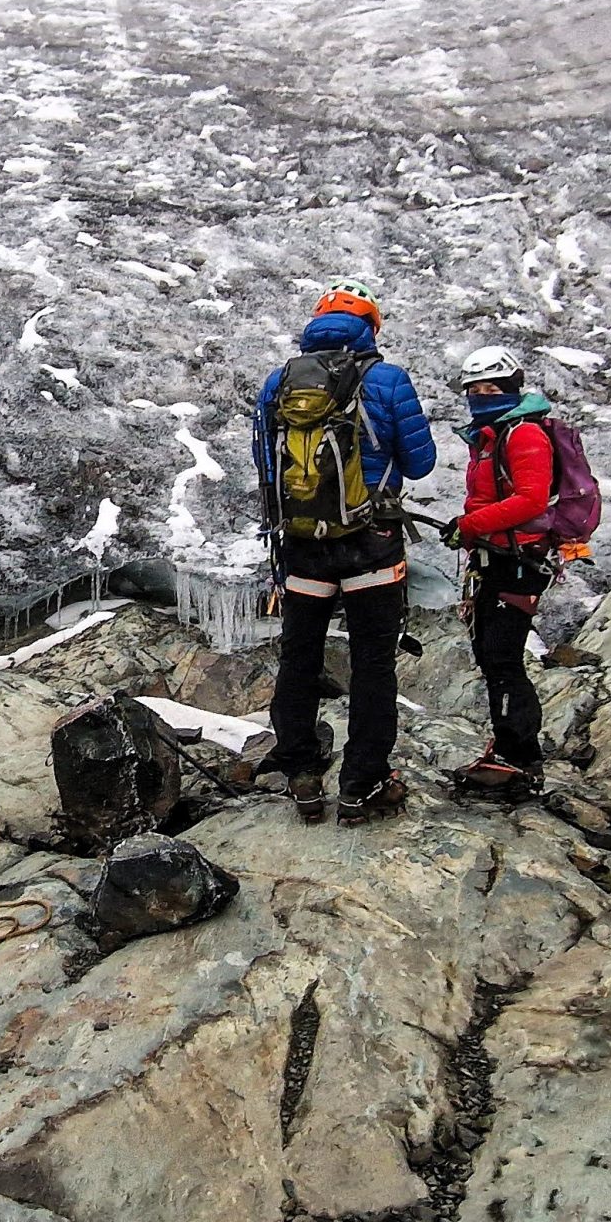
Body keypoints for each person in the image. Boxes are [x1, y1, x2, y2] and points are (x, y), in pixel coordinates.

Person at [251, 280, 437, 825]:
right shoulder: (386, 379)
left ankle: (303, 779)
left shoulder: (279, 381)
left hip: (303, 546)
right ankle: (362, 784)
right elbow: (421, 462)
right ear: (371, 327)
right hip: (371, 544)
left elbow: (266, 465)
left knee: (300, 659)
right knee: (372, 665)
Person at [440, 346, 557, 800]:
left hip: (519, 562)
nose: (479, 396)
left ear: (510, 388)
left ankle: (520, 757)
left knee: (503, 659)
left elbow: (531, 499)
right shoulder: (492, 435)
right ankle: (510, 749)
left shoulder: (523, 435)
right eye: (473, 389)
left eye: (489, 388)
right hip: (498, 557)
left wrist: (470, 525)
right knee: (493, 656)